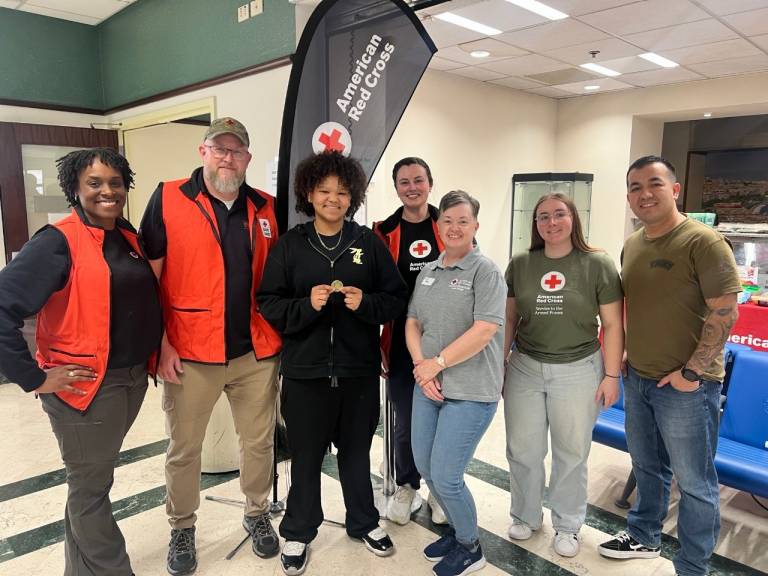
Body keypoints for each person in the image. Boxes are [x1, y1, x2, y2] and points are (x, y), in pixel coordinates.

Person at [0, 148, 162, 576]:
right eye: (95, 183)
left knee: (93, 482)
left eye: (115, 182)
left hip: (129, 380)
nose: (107, 191)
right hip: (85, 387)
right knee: (90, 489)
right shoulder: (57, 241)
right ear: (75, 188)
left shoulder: (125, 236)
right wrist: (33, 378)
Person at [140, 117, 282, 575]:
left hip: (254, 353)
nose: (227, 157)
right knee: (185, 448)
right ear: (203, 152)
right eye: (219, 149)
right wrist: (160, 343)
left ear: (247, 158)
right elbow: (148, 281)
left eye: (236, 150)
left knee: (258, 443)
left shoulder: (267, 207)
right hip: (188, 352)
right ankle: (182, 526)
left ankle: (257, 514)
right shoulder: (168, 198)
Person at [257, 151, 408, 576]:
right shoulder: (291, 245)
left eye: (342, 192)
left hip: (358, 370)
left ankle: (364, 522)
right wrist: (306, 306)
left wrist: (367, 304)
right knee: (304, 456)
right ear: (309, 193)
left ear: (353, 197)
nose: (333, 199)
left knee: (356, 454)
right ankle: (299, 530)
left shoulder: (367, 243)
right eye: (324, 191)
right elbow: (268, 302)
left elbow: (395, 298)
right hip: (305, 372)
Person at [598, 156, 741, 576]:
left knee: (695, 483)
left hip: (688, 388)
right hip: (639, 378)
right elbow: (640, 306)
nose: (645, 194)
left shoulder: (703, 242)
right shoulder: (635, 244)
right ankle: (643, 536)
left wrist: (691, 374)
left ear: (674, 190)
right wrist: (625, 353)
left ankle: (694, 565)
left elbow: (725, 311)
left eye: (654, 184)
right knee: (646, 466)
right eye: (635, 187)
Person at [503, 193, 624, 557]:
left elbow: (614, 324)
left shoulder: (597, 263)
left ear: (574, 218)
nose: (551, 223)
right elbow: (509, 318)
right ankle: (525, 515)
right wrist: (501, 362)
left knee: (571, 453)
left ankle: (568, 525)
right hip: (525, 366)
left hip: (579, 368)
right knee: (523, 449)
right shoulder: (521, 263)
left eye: (559, 214)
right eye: (543, 217)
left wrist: (612, 376)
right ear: (535, 224)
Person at [406, 190, 506, 576]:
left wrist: (439, 363)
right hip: (428, 386)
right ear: (438, 225)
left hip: (470, 391)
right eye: (448, 220)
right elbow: (413, 321)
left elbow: (484, 331)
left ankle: (470, 545)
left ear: (475, 226)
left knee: (447, 475)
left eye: (463, 221)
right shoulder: (430, 271)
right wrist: (421, 366)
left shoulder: (486, 272)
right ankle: (456, 532)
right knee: (427, 468)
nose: (454, 227)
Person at [372, 156, 446, 526]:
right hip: (402, 342)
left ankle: (442, 490)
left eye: (419, 179)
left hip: (448, 341)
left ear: (430, 183)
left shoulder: (448, 223)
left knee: (446, 418)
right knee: (406, 421)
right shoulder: (382, 231)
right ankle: (406, 484)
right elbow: (375, 290)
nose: (412, 187)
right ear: (396, 187)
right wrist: (380, 345)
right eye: (404, 182)